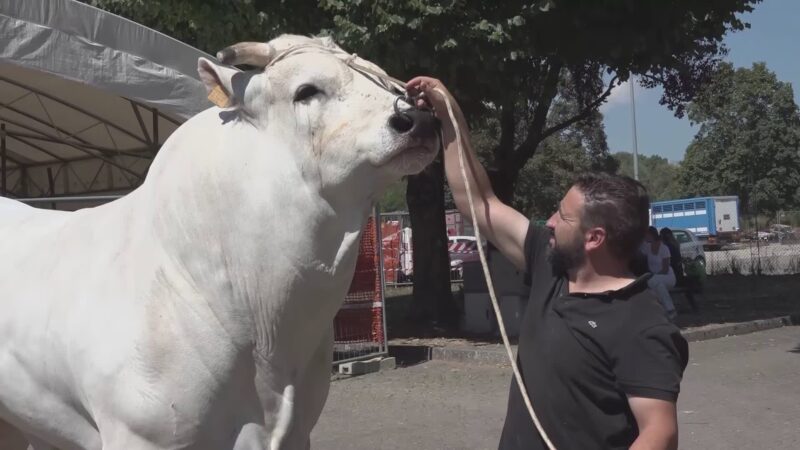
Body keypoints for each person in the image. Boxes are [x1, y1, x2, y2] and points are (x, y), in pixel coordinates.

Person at [406, 77, 688, 450]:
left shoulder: (642, 324)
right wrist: (449, 113)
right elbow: (479, 201)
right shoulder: (551, 263)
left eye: (562, 216)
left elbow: (660, 432)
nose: (549, 222)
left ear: (594, 238)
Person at [642, 226, 677, 319]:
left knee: (651, 282)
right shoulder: (647, 247)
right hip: (656, 279)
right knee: (659, 286)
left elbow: (665, 270)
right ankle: (670, 310)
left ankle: (654, 310)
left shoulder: (664, 248)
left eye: (646, 234)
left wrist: (654, 276)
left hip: (668, 276)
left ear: (651, 235)